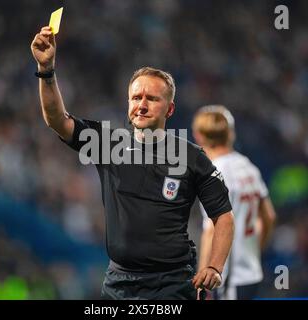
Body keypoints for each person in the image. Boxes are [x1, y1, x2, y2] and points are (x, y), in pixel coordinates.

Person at [30, 26, 234, 300]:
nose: (142, 105)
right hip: (118, 283)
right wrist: (46, 70)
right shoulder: (106, 144)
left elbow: (223, 216)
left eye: (152, 99)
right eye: (136, 98)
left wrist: (214, 266)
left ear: (169, 109)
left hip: (171, 284)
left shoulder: (192, 156)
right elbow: (57, 120)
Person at [192, 105, 277, 300]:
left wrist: (203, 278)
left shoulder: (213, 173)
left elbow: (212, 229)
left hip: (229, 275)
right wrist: (254, 251)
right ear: (230, 133)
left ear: (198, 136)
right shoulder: (248, 167)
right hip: (252, 272)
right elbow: (269, 217)